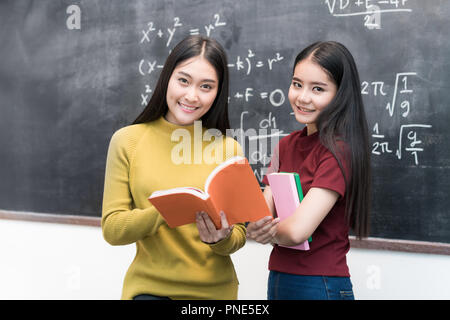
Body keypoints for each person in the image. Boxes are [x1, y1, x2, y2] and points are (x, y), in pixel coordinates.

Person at [101, 35, 246, 300]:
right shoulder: (128, 141)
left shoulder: (228, 149)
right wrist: (168, 208)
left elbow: (238, 236)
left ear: (218, 92)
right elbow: (113, 229)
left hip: (215, 294)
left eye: (206, 86)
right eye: (183, 80)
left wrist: (220, 238)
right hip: (150, 291)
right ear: (167, 78)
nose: (192, 96)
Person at [247, 41, 371, 300]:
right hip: (280, 278)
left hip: (320, 284)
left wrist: (264, 230)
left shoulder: (339, 150)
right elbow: (260, 214)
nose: (302, 97)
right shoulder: (285, 145)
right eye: (297, 84)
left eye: (318, 89)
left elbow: (296, 231)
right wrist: (256, 224)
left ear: (340, 94)